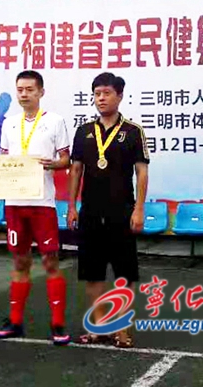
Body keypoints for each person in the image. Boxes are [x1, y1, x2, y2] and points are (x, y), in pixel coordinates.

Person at [0, 70, 72, 346]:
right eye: (20, 90)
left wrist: (51, 164)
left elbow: (66, 160)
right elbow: (2, 160)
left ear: (41, 92)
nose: (24, 94)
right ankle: (15, 321)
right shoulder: (9, 124)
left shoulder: (55, 121)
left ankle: (57, 323)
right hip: (14, 203)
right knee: (20, 261)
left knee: (50, 261)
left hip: (42, 203)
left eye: (29, 89)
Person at [67, 72, 149, 348]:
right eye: (97, 94)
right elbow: (75, 170)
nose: (101, 98)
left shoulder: (133, 131)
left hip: (122, 211)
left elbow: (141, 172)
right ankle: (98, 326)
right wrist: (72, 206)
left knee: (124, 273)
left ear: (119, 96)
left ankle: (122, 329)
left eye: (106, 93)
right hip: (90, 211)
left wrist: (139, 209)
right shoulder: (84, 132)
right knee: (92, 272)